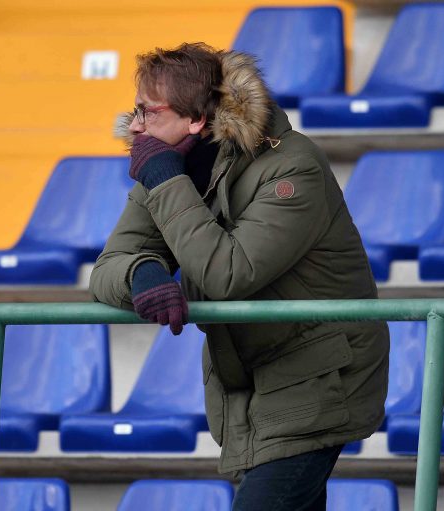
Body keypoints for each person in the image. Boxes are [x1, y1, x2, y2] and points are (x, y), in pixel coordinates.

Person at [89, 42, 389, 511]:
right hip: (251, 384)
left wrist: (166, 182)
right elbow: (108, 266)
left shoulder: (292, 166)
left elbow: (228, 274)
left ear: (196, 119)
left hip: (319, 378)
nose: (136, 126)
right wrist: (141, 272)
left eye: (148, 111)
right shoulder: (169, 168)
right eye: (135, 111)